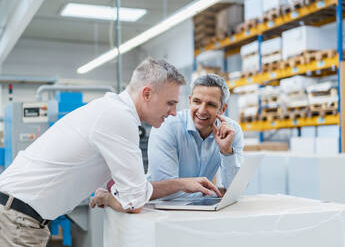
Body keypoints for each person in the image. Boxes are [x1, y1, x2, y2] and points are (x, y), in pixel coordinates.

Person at [0, 58, 220, 246]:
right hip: (16, 220)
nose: (173, 113)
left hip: (17, 217)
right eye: (170, 103)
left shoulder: (111, 110)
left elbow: (126, 188)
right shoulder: (118, 118)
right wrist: (109, 198)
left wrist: (183, 184)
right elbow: (133, 201)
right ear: (147, 94)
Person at [146, 73, 244, 199]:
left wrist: (227, 152)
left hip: (198, 209)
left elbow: (235, 190)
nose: (202, 110)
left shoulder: (231, 131)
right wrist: (216, 193)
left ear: (222, 109)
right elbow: (167, 193)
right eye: (197, 102)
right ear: (189, 101)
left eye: (211, 104)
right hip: (159, 209)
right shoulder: (167, 126)